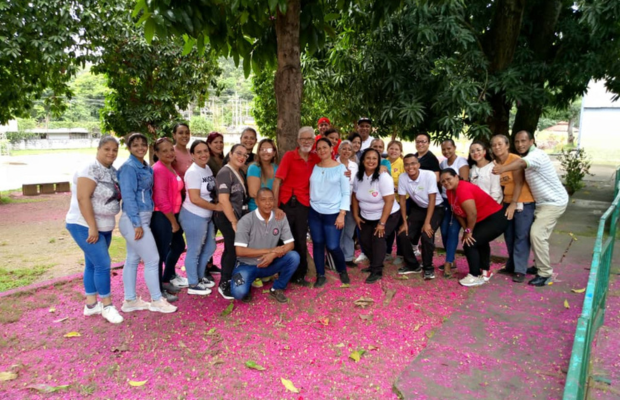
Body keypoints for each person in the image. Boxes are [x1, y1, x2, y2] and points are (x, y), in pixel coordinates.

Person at [492, 130, 568, 287]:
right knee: (523, 235)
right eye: (517, 141)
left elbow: (520, 165)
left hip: (553, 202)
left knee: (536, 234)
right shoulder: (525, 157)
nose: (520, 144)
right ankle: (535, 265)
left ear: (532, 141)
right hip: (540, 203)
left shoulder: (536, 156)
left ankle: (545, 273)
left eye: (524, 141)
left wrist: (503, 169)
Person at [65, 136, 124, 324]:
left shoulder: (111, 171)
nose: (111, 153)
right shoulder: (89, 169)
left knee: (92, 264)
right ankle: (107, 305)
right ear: (98, 149)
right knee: (103, 264)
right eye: (107, 149)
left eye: (115, 150)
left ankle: (91, 305)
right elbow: (83, 198)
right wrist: (92, 227)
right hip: (84, 225)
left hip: (104, 226)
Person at [118, 133, 177, 313]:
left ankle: (130, 300)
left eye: (143, 144)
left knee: (133, 259)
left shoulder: (146, 167)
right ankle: (157, 300)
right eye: (135, 145)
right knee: (152, 259)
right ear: (129, 147)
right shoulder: (129, 168)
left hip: (143, 217)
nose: (140, 148)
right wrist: (137, 224)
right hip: (133, 219)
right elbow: (128, 197)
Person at [440, 169, 508, 287]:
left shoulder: (463, 189)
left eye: (448, 179)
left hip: (495, 218)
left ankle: (474, 275)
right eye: (443, 181)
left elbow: (472, 214)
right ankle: (485, 272)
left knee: (469, 242)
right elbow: (457, 212)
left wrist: (468, 231)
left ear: (456, 177)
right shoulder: (450, 192)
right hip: (481, 220)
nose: (446, 183)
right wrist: (467, 228)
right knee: (477, 240)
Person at [230, 188, 300, 303]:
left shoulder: (280, 217)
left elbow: (290, 244)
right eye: (263, 200)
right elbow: (240, 251)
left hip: (269, 263)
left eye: (270, 200)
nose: (268, 203)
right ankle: (248, 280)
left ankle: (277, 287)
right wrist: (270, 251)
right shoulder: (246, 220)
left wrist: (272, 255)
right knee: (239, 293)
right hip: (247, 265)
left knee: (294, 257)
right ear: (256, 202)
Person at [272, 127, 320, 287]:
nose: (306, 141)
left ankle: (299, 275)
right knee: (283, 239)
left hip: (304, 205)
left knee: (300, 239)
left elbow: (331, 166)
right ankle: (282, 273)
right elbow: (277, 180)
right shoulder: (289, 156)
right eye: (303, 139)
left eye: (310, 139)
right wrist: (275, 206)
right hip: (287, 203)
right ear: (298, 141)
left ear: (314, 142)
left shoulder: (315, 158)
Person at [178, 140, 222, 295]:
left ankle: (200, 275)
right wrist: (216, 207)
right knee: (194, 250)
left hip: (207, 216)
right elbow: (195, 198)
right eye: (199, 152)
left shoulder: (207, 168)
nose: (203, 154)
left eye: (205, 151)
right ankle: (193, 283)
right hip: (194, 215)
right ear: (192, 155)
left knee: (210, 247)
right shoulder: (193, 172)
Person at [491, 134, 535, 283]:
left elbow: (519, 183)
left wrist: (514, 203)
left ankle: (520, 270)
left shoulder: (515, 160)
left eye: (500, 144)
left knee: (521, 236)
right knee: (509, 235)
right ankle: (512, 264)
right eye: (494, 145)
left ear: (507, 145)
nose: (497, 147)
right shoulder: (496, 164)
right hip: (507, 202)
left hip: (522, 201)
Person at [352, 148, 401, 284]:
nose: (371, 161)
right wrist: (356, 215)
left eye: (375, 158)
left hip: (388, 215)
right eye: (368, 158)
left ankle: (377, 270)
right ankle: (374, 263)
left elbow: (390, 201)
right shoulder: (358, 176)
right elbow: (355, 197)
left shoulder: (383, 177)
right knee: (365, 240)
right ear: (362, 160)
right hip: (366, 215)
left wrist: (382, 223)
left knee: (378, 238)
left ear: (379, 161)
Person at [309, 138, 351, 287]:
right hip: (314, 212)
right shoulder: (313, 167)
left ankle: (342, 270)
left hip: (333, 213)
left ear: (332, 148)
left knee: (333, 246)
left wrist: (342, 214)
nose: (322, 151)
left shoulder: (341, 169)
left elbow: (346, 193)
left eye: (324, 147)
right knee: (318, 243)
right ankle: (320, 275)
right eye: (318, 148)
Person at [396, 154, 445, 280]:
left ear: (418, 165)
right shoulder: (403, 177)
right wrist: (404, 222)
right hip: (419, 208)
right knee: (403, 234)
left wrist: (427, 222)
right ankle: (413, 265)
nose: (410, 167)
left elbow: (432, 199)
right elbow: (402, 200)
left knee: (426, 234)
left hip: (435, 207)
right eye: (407, 164)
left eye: (413, 163)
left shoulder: (428, 175)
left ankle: (428, 267)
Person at [151, 137, 187, 301]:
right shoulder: (159, 170)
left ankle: (167, 278)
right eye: (164, 151)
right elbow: (161, 199)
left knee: (178, 245)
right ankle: (158, 291)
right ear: (156, 153)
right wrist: (173, 222)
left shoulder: (170, 168)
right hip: (163, 216)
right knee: (159, 254)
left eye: (171, 149)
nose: (169, 153)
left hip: (174, 214)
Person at [214, 143, 250, 299]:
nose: (242, 157)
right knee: (232, 250)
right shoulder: (225, 173)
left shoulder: (238, 172)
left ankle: (230, 278)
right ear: (230, 154)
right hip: (228, 218)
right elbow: (223, 200)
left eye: (245, 155)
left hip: (237, 217)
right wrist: (234, 222)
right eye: (238, 153)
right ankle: (224, 283)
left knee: (233, 250)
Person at [438, 139, 469, 277]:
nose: (446, 151)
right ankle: (452, 259)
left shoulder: (461, 162)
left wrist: (457, 202)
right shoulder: (443, 163)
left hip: (458, 200)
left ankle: (448, 262)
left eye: (449, 148)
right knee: (444, 231)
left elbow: (464, 182)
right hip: (445, 200)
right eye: (444, 149)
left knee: (453, 230)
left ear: (454, 147)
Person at [205, 131, 225, 275]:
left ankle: (210, 265)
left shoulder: (223, 159)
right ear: (209, 144)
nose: (218, 145)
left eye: (220, 142)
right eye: (215, 142)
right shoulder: (207, 160)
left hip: (222, 204)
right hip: (211, 203)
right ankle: (205, 267)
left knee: (213, 234)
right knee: (209, 236)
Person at [337, 140, 359, 267]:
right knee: (338, 231)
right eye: (343, 149)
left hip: (351, 202)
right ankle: (337, 256)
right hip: (337, 203)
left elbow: (356, 183)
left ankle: (348, 257)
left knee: (349, 231)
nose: (346, 151)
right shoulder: (334, 163)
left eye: (349, 149)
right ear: (339, 150)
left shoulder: (354, 165)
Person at [385, 140, 405, 264]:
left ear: (400, 151)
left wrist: (398, 188)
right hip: (386, 202)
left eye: (396, 149)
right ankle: (387, 252)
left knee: (400, 228)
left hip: (400, 200)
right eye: (391, 148)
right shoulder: (383, 162)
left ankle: (400, 254)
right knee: (388, 228)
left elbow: (406, 182)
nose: (393, 151)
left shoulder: (402, 164)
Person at [247, 138, 278, 212]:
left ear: (274, 153)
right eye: (262, 149)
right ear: (258, 152)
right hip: (257, 209)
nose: (265, 152)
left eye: (269, 149)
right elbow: (253, 193)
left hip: (273, 209)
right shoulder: (254, 167)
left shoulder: (276, 168)